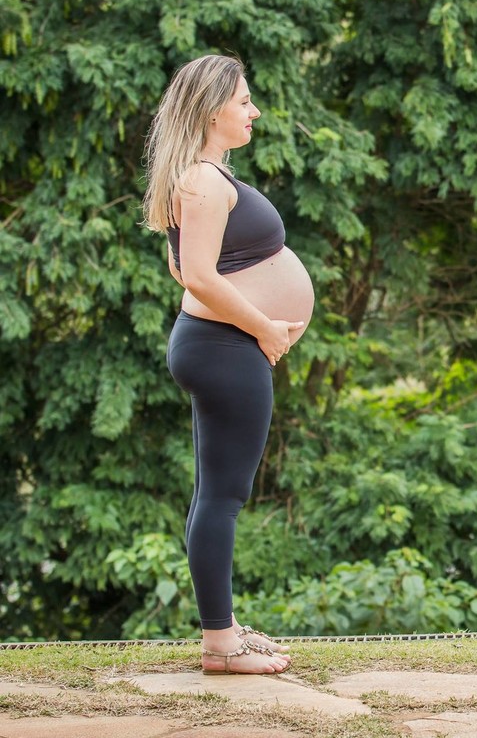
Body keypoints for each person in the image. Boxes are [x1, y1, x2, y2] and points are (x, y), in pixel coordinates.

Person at [142, 55, 314, 674]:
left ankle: (226, 630)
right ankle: (220, 644)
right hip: (224, 345)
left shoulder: (199, 178)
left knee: (213, 494)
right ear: (213, 108)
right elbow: (198, 277)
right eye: (244, 101)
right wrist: (265, 325)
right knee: (222, 497)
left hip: (216, 344)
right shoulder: (205, 181)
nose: (254, 111)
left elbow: (182, 269)